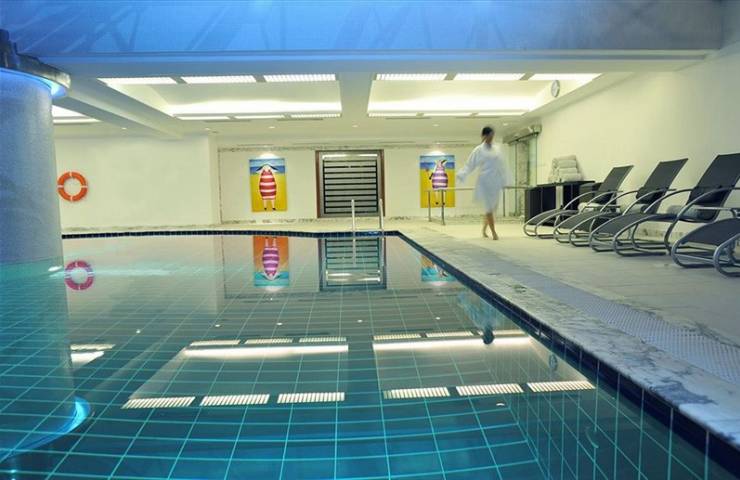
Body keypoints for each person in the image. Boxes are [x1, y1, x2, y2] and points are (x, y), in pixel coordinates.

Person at [457, 126, 511, 240]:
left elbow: (502, 165)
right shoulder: (478, 150)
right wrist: (462, 174)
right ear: (484, 136)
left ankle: (484, 229)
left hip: (495, 182)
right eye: (489, 135)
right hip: (485, 182)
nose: (491, 138)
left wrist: (505, 179)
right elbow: (470, 164)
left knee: (493, 208)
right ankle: (494, 232)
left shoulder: (497, 149)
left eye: (492, 135)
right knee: (488, 208)